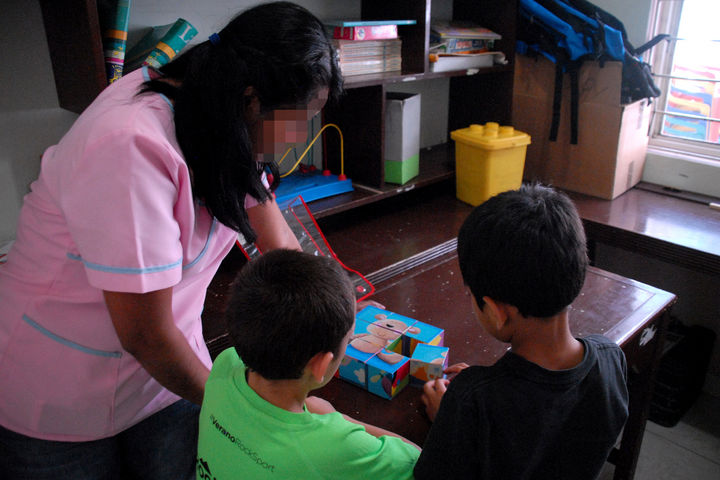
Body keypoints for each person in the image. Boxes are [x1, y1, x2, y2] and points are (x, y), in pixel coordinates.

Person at [0, 2, 342, 479]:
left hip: (167, 368)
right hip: (61, 387)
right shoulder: (131, 144)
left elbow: (278, 240)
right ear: (251, 100)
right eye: (298, 119)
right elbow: (144, 335)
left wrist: (331, 316)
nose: (298, 136)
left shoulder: (222, 117)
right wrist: (250, 408)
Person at [413, 184, 629, 480]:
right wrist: (481, 387)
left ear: (496, 311)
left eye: (470, 295)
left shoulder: (472, 403)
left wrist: (449, 418)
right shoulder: (610, 357)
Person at [196, 249, 420, 479]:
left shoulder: (226, 362)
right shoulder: (338, 447)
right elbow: (419, 462)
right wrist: (336, 418)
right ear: (321, 365)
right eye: (349, 338)